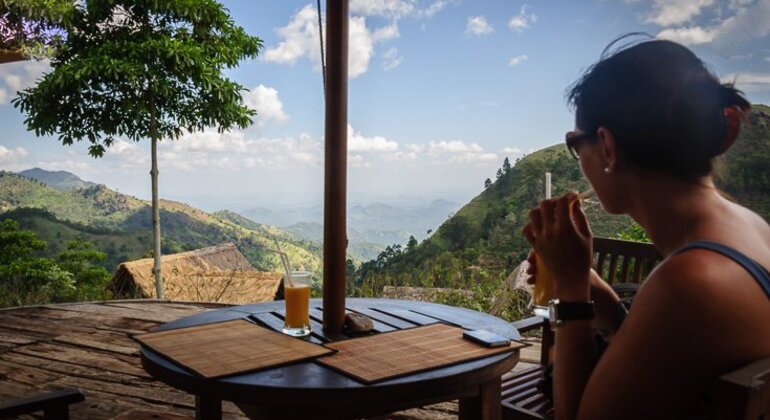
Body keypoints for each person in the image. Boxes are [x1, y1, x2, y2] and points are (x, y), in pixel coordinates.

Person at [522, 36, 770, 420]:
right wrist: (595, 291)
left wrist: (570, 289)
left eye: (575, 143)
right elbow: (668, 350)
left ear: (607, 147)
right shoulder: (751, 228)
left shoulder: (691, 282)